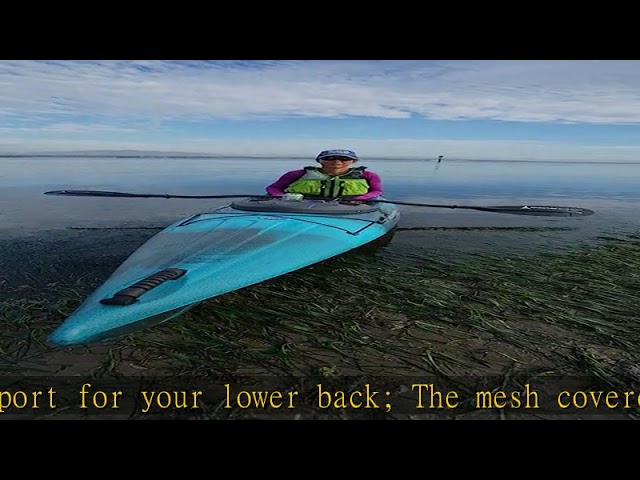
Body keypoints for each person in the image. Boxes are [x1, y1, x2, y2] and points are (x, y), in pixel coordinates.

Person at [265, 149, 383, 201]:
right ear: (319, 161)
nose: (336, 161)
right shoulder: (296, 174)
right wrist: (281, 196)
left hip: (350, 207)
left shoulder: (369, 176)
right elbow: (274, 188)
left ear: (353, 161)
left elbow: (376, 191)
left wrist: (361, 199)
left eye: (344, 158)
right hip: (301, 206)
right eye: (330, 158)